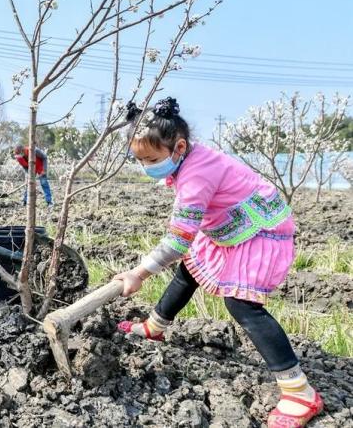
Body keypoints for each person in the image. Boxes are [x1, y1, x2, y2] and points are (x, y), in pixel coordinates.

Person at [113, 97, 323, 428]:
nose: (147, 168)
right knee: (190, 269)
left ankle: (299, 392)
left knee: (241, 303)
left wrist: (138, 273)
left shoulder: (196, 174)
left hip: (258, 229)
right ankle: (155, 327)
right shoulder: (189, 158)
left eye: (152, 159)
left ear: (179, 147)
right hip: (230, 222)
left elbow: (178, 239)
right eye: (140, 160)